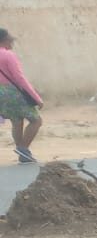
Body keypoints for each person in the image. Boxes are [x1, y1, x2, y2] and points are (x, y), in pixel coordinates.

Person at [0, 28, 44, 164]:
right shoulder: (8, 55)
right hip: (13, 92)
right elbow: (19, 78)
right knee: (36, 120)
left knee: (16, 121)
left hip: (1, 94)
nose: (12, 43)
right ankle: (23, 148)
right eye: (10, 40)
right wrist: (36, 98)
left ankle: (23, 155)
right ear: (4, 40)